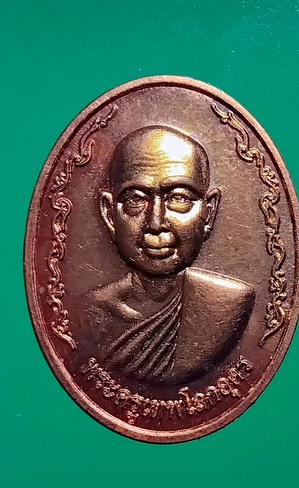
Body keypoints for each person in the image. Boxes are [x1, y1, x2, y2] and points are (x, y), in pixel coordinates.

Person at [82, 126, 255, 385]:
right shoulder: (88, 313)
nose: (156, 222)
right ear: (109, 214)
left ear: (209, 212)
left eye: (179, 198)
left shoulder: (230, 304)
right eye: (136, 199)